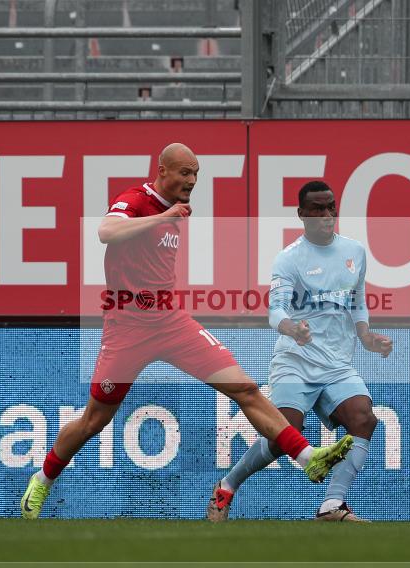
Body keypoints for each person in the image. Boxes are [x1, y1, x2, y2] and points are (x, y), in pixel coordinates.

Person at [21, 145, 353, 519]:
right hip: (127, 329)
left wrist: (168, 216)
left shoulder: (176, 208)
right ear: (162, 170)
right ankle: (43, 479)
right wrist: (162, 217)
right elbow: (105, 231)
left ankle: (307, 457)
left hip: (171, 323)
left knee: (245, 388)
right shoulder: (138, 200)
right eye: (184, 172)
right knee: (94, 420)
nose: (192, 180)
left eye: (196, 173)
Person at [207, 180, 392, 522]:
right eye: (318, 209)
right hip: (296, 360)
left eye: (331, 207)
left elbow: (357, 302)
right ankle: (227, 486)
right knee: (284, 435)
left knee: (364, 418)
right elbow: (275, 310)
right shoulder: (289, 258)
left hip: (337, 365)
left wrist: (366, 335)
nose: (326, 214)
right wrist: (292, 328)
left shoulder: (354, 252)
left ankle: (332, 504)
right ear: (302, 214)